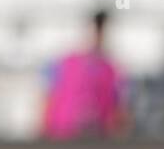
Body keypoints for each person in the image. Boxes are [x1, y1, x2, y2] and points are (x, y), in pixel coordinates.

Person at [38, 10, 128, 139]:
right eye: (97, 28)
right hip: (63, 135)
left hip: (98, 138)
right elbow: (47, 97)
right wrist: (44, 129)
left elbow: (118, 106)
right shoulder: (64, 63)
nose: (98, 34)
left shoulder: (111, 69)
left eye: (102, 30)